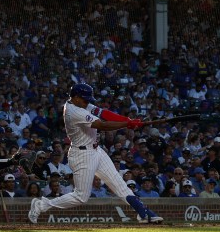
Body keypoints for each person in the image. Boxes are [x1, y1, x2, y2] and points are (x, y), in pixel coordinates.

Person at [28, 84, 163, 224]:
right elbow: (102, 125)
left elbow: (104, 113)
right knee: (81, 197)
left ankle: (144, 213)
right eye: (85, 99)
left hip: (96, 150)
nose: (87, 102)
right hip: (82, 155)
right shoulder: (73, 111)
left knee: (119, 184)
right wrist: (126, 124)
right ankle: (41, 205)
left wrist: (127, 120)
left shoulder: (80, 103)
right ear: (75, 97)